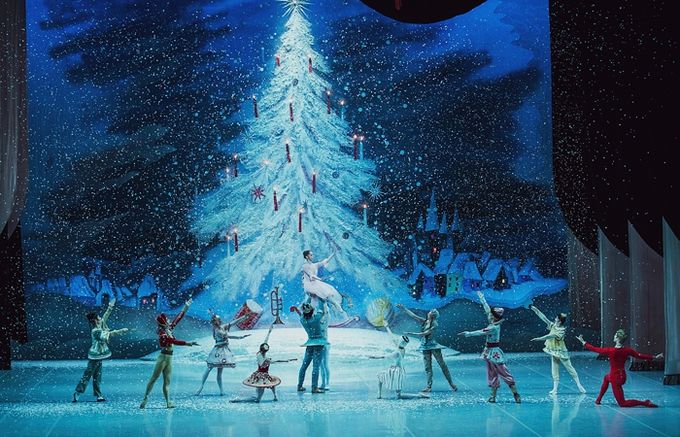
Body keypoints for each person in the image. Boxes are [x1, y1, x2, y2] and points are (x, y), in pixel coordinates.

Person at [458, 291, 520, 403]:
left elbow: (481, 332)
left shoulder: (494, 327)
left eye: (492, 315)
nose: (489, 316)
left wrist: (468, 333)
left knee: (504, 373)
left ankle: (516, 394)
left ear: (496, 317)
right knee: (492, 374)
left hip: (495, 353)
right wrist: (482, 298)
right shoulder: (493, 322)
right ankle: (493, 396)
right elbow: (487, 309)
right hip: (488, 352)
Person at [577, 330, 663, 407]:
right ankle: (598, 400)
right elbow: (639, 355)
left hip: (615, 378)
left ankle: (645, 403)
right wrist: (654, 357)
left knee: (622, 403)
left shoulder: (611, 351)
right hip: (621, 376)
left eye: (615, 335)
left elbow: (596, 349)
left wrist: (584, 342)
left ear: (618, 338)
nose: (614, 336)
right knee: (606, 378)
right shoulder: (627, 350)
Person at [140, 299, 199, 409]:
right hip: (163, 358)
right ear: (163, 322)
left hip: (169, 358)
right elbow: (173, 341)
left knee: (167, 381)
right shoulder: (162, 334)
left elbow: (178, 318)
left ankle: (168, 402)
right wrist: (188, 343)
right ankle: (145, 398)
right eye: (167, 319)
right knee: (154, 378)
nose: (169, 320)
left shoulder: (169, 329)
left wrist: (185, 307)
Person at [72, 298, 129, 403]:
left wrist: (110, 306)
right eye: (98, 317)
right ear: (95, 320)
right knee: (88, 374)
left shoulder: (100, 324)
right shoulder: (96, 331)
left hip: (100, 355)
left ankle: (98, 394)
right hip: (95, 356)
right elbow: (109, 334)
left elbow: (106, 316)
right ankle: (78, 392)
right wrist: (121, 331)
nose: (100, 317)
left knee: (97, 376)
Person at [397, 303, 458, 393]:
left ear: (432, 315)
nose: (428, 313)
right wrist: (404, 309)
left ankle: (451, 383)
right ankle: (429, 386)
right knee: (427, 367)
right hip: (425, 346)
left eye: (430, 312)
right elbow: (414, 316)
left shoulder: (434, 324)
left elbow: (424, 333)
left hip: (433, 346)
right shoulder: (425, 321)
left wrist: (411, 333)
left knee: (442, 365)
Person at [230, 324, 297, 403]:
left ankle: (275, 396)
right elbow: (276, 361)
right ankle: (238, 400)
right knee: (258, 398)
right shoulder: (264, 358)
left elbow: (265, 341)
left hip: (262, 374)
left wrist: (269, 332)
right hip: (261, 376)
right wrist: (288, 360)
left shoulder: (260, 353)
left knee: (272, 384)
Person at [529, 304, 586, 395]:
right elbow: (544, 318)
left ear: (559, 320)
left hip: (561, 352)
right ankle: (555, 389)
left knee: (569, 368)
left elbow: (550, 336)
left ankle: (579, 385)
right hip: (554, 351)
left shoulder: (561, 330)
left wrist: (539, 339)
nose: (555, 318)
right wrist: (536, 310)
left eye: (556, 317)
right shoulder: (553, 325)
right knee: (554, 369)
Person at [195, 311, 251, 396]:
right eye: (215, 321)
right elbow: (228, 336)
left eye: (217, 320)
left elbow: (233, 323)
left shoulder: (223, 327)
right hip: (218, 350)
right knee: (209, 368)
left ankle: (221, 390)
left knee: (219, 372)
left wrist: (244, 317)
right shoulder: (217, 330)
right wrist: (240, 337)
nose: (216, 322)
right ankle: (201, 386)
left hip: (223, 350)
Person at [372, 321, 429, 400]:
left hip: (396, 372)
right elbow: (392, 337)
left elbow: (384, 357)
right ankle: (418, 396)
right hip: (399, 370)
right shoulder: (402, 348)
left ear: (401, 342)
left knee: (380, 376)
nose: (398, 341)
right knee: (397, 393)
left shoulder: (397, 352)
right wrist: (387, 327)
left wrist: (373, 357)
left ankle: (379, 394)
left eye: (400, 341)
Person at [301, 249, 352, 319]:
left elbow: (325, 261)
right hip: (309, 286)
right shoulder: (304, 266)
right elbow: (311, 276)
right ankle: (311, 315)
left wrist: (333, 253)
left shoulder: (315, 265)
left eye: (312, 255)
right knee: (318, 298)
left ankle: (342, 314)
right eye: (311, 255)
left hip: (316, 283)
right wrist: (319, 279)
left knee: (327, 296)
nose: (312, 256)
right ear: (307, 257)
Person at [292, 303, 328, 393]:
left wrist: (306, 303)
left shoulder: (303, 320)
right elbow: (321, 309)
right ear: (312, 311)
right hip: (319, 343)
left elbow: (303, 313)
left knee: (304, 366)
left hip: (310, 344)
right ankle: (314, 387)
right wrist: (320, 299)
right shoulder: (316, 318)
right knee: (316, 366)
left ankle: (300, 385)